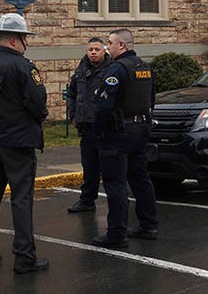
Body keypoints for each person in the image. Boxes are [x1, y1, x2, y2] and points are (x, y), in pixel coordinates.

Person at [0, 13, 49, 274]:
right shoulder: (24, 67)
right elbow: (37, 103)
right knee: (21, 199)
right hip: (17, 142)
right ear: (15, 40)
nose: (26, 43)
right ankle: (24, 257)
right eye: (24, 38)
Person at [91, 28, 158, 248]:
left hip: (119, 131)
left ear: (122, 46)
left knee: (115, 182)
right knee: (140, 177)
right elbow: (151, 99)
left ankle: (117, 234)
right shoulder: (145, 68)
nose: (107, 47)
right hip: (141, 128)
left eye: (110, 43)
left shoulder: (117, 69)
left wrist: (98, 131)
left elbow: (103, 104)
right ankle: (149, 225)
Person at [64, 37, 111, 213]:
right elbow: (72, 93)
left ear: (104, 51)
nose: (93, 52)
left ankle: (115, 200)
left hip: (104, 126)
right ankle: (87, 200)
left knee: (108, 166)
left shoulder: (111, 69)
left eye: (97, 49)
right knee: (89, 165)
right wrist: (73, 114)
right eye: (90, 49)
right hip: (86, 125)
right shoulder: (81, 69)